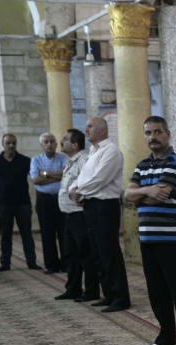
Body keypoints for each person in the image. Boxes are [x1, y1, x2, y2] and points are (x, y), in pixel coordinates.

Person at [124, 116, 176, 345]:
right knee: (156, 290)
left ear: (167, 134)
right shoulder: (142, 165)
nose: (152, 137)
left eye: (157, 132)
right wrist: (147, 191)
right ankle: (166, 336)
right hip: (147, 237)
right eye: (148, 133)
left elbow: (163, 194)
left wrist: (141, 195)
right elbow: (128, 195)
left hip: (172, 238)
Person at [71, 116, 130, 312]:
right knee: (97, 252)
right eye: (86, 126)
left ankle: (120, 298)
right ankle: (109, 294)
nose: (86, 130)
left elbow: (100, 179)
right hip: (91, 205)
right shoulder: (92, 153)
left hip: (105, 206)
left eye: (90, 126)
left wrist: (79, 191)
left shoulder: (111, 151)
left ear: (103, 130)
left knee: (109, 252)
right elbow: (82, 177)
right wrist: (74, 189)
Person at [55, 128, 99, 302]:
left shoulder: (83, 160)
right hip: (68, 215)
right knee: (70, 255)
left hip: (79, 214)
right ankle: (73, 289)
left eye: (65, 139)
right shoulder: (70, 161)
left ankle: (91, 291)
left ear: (74, 145)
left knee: (85, 255)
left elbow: (87, 183)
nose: (61, 141)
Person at [0, 133, 39, 271]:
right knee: (5, 235)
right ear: (2, 144)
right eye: (8, 143)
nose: (11, 146)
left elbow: (35, 179)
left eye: (13, 143)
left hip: (23, 204)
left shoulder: (25, 160)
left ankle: (31, 262)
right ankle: (5, 263)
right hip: (3, 204)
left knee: (27, 234)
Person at [30, 132, 68, 273]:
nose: (49, 144)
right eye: (46, 142)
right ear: (42, 145)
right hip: (44, 200)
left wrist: (45, 173)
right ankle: (51, 265)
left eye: (52, 141)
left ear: (56, 144)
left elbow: (66, 175)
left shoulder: (64, 158)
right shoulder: (35, 160)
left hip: (60, 198)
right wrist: (57, 175)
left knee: (64, 232)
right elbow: (35, 179)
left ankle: (66, 264)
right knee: (47, 233)